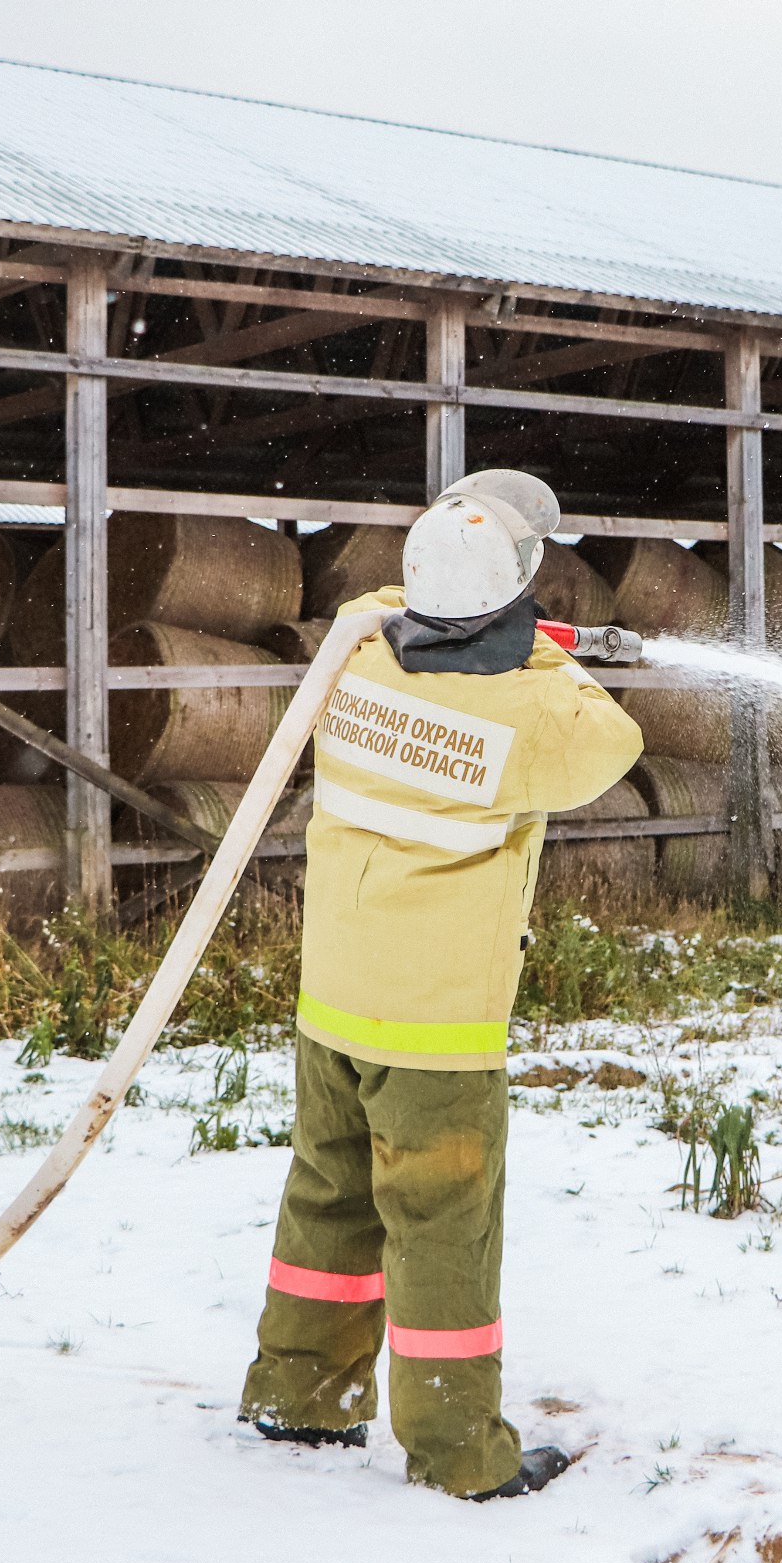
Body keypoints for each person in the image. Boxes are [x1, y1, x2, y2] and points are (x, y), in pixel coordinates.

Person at [239, 470, 644, 1499]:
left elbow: (374, 607)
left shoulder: (356, 654)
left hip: (333, 994)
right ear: (511, 601)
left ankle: (299, 1393)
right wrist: (551, 652)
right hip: (435, 1029)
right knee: (440, 1233)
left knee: (326, 1204)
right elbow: (613, 740)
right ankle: (459, 1449)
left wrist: (487, 623)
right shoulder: (535, 715)